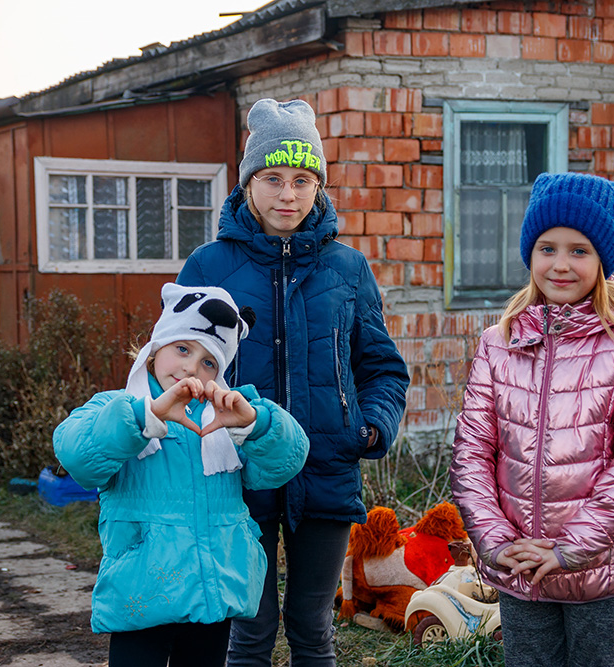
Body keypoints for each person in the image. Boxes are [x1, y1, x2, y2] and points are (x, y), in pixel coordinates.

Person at [177, 98, 410, 666]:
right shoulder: (209, 268)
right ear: (249, 183)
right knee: (250, 633)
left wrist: (370, 428)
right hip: (236, 477)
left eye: (303, 180)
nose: (288, 195)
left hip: (326, 470)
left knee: (313, 628)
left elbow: (382, 367)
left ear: (319, 186)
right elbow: (175, 367)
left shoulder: (347, 269)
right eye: (273, 178)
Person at [450, 172, 614, 667]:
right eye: (547, 248)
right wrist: (495, 541)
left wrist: (569, 550)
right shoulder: (499, 342)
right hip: (520, 563)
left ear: (603, 260)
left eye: (579, 251)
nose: (560, 264)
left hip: (598, 567)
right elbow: (471, 453)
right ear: (529, 254)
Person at [53, 283, 310, 667]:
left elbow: (284, 462)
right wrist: (145, 417)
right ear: (155, 350)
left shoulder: (227, 419)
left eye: (209, 362)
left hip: (211, 593)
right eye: (183, 349)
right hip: (142, 595)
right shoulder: (119, 408)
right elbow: (78, 456)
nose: (192, 367)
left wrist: (256, 424)